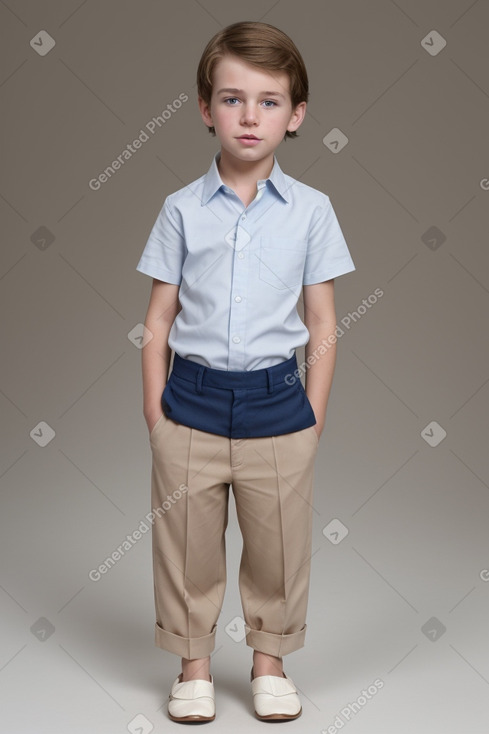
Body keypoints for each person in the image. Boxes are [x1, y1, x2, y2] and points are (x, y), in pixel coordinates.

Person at [136, 20, 355, 724]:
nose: (249, 116)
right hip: (190, 403)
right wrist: (155, 414)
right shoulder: (179, 210)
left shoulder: (312, 212)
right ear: (205, 109)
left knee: (279, 548)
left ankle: (270, 664)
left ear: (295, 116)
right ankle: (193, 668)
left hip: (276, 404)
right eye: (232, 99)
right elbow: (158, 324)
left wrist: (313, 416)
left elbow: (323, 323)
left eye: (268, 101)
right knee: (187, 546)